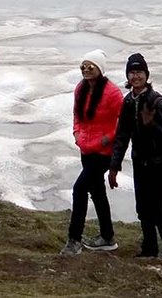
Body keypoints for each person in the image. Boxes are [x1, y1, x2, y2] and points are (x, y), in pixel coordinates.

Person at [108, 52, 162, 260]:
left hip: (160, 165)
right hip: (140, 162)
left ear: (147, 75)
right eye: (132, 72)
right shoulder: (128, 101)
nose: (135, 76)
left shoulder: (159, 103)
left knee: (158, 209)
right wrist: (114, 167)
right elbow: (122, 136)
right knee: (142, 208)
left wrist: (151, 126)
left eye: (139, 72)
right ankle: (149, 249)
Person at [60, 49, 123, 255]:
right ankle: (107, 236)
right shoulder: (81, 88)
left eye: (90, 66)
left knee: (79, 189)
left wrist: (106, 139)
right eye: (83, 67)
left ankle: (74, 240)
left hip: (103, 152)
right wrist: (76, 133)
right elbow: (77, 116)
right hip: (86, 148)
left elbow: (122, 123)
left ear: (100, 69)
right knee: (96, 191)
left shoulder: (113, 93)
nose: (85, 70)